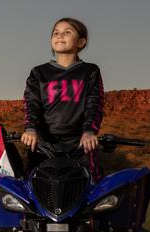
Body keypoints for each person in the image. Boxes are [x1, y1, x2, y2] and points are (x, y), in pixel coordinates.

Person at [21, 17, 104, 180]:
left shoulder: (89, 71)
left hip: (80, 144)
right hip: (44, 145)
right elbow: (32, 104)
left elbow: (94, 103)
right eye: (56, 33)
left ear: (81, 42)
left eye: (67, 32)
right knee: (36, 187)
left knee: (89, 186)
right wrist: (31, 129)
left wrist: (89, 132)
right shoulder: (39, 72)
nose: (60, 36)